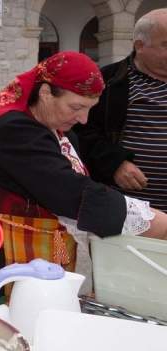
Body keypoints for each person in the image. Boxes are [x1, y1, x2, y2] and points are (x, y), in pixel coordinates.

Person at [0, 51, 167, 296]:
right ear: (46, 93)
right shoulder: (14, 128)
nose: (84, 119)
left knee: (47, 304)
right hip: (4, 248)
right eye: (77, 107)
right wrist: (146, 219)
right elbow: (69, 191)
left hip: (43, 240)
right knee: (13, 311)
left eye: (90, 109)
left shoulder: (54, 125)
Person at [74, 8, 167, 213]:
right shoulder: (107, 80)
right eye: (166, 45)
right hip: (129, 211)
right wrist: (114, 163)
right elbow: (79, 131)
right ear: (140, 46)